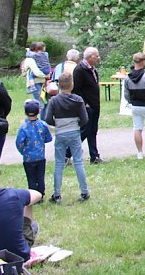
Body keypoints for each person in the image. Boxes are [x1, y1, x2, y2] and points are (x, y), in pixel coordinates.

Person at [45, 72, 90, 203]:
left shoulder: (54, 100)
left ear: (58, 85)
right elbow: (85, 119)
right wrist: (77, 124)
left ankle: (57, 194)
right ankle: (84, 191)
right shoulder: (77, 100)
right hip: (74, 132)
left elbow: (48, 118)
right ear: (72, 85)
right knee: (78, 162)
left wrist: (57, 124)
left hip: (60, 132)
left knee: (59, 163)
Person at [15, 100, 52, 198]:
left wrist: (23, 152)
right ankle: (41, 194)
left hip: (28, 158)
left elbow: (19, 142)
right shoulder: (43, 124)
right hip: (40, 157)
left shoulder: (23, 127)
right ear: (39, 111)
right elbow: (49, 138)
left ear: (25, 113)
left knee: (31, 178)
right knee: (40, 177)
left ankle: (33, 195)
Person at [72, 47, 103, 164]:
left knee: (93, 130)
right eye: (96, 56)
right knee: (85, 130)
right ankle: (67, 153)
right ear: (89, 57)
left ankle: (94, 156)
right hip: (87, 106)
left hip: (95, 104)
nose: (98, 58)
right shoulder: (80, 70)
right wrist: (85, 104)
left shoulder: (92, 69)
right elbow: (76, 89)